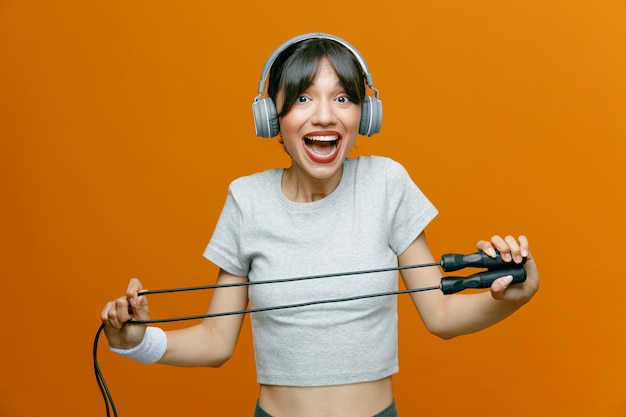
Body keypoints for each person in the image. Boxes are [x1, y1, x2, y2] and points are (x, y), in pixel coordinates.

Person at [100, 33, 540, 417]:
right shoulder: (246, 199)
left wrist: (514, 297)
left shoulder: (385, 183)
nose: (325, 115)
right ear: (272, 117)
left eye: (343, 98)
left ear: (364, 116)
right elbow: (216, 341)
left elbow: (441, 315)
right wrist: (137, 342)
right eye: (304, 97)